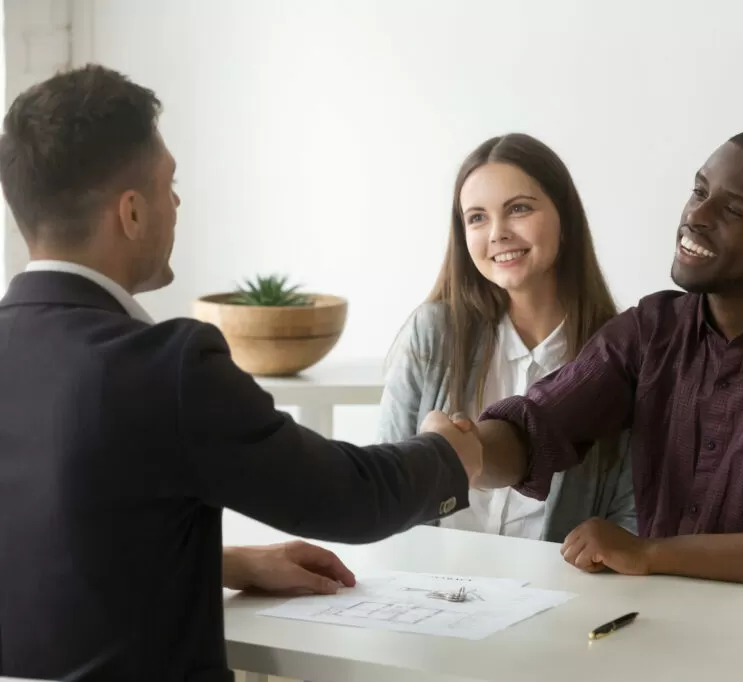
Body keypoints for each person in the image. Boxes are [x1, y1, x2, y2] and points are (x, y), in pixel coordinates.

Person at [0, 64, 480, 681]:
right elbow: (349, 497)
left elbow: (53, 520)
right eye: (168, 184)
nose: (176, 202)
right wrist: (449, 453)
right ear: (132, 213)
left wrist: (221, 562)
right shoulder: (163, 367)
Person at [441, 128, 743, 591]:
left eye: (731, 210)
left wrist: (652, 554)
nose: (697, 216)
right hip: (658, 636)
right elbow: (536, 428)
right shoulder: (652, 330)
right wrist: (465, 453)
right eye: (699, 191)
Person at [378, 133, 635, 542]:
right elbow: (386, 491)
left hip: (564, 590)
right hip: (430, 586)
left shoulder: (623, 351)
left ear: (564, 219)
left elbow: (630, 519)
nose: (497, 233)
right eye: (477, 217)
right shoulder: (433, 333)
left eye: (518, 209)